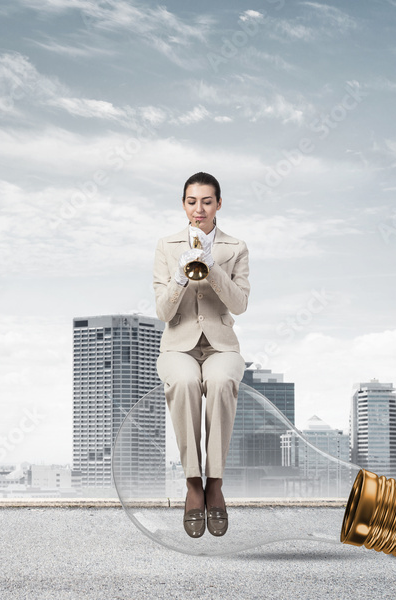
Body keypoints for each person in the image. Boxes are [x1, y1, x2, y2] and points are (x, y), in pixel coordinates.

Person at [152, 171, 250, 538]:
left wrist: (213, 267)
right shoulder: (166, 245)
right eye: (192, 201)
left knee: (222, 380)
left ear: (219, 204)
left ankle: (215, 483)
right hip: (178, 344)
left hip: (221, 345)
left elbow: (239, 305)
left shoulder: (235, 247)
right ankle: (194, 483)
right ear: (183, 204)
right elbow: (163, 313)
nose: (199, 209)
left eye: (207, 201)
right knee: (186, 381)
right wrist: (180, 275)